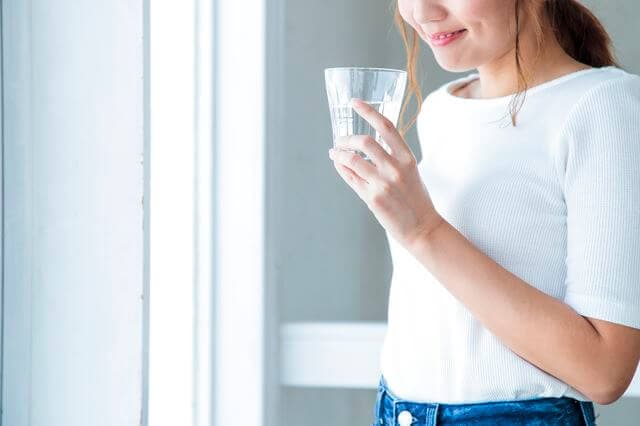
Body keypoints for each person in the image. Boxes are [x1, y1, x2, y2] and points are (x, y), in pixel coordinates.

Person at [327, 1, 640, 425]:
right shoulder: (440, 109)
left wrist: (424, 228)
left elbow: (604, 371)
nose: (421, 12)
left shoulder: (603, 105)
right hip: (394, 409)